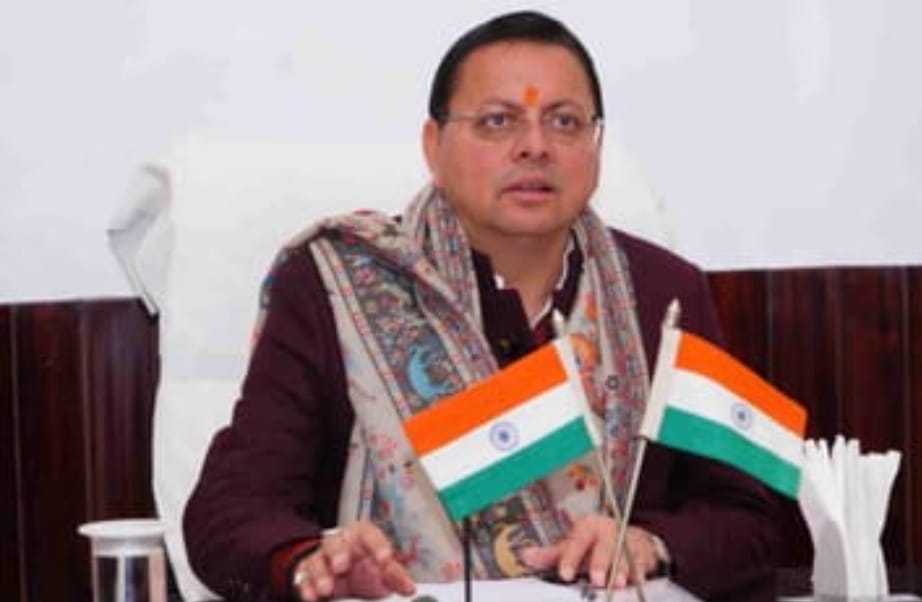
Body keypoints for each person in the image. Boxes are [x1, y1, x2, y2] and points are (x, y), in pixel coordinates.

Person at [184, 10, 781, 602]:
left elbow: (750, 520)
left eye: (565, 122)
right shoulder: (333, 286)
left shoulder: (663, 294)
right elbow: (229, 511)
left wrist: (649, 544)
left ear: (595, 145)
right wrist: (310, 561)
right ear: (433, 145)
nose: (535, 147)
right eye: (498, 121)